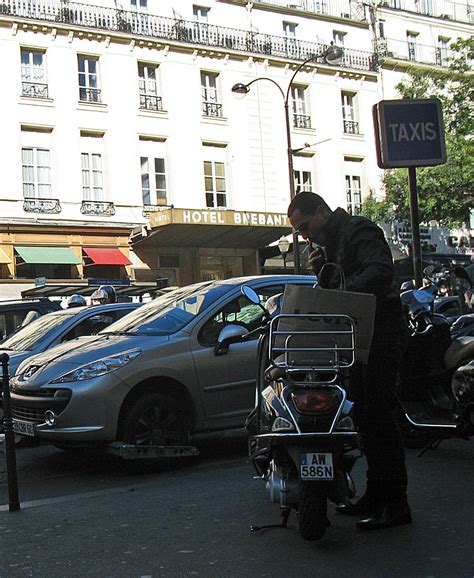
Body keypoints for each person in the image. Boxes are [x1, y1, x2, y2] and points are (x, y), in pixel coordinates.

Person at [287, 192, 411, 530]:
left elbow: (380, 272)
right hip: (356, 337)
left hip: (382, 332)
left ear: (323, 213)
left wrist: (342, 288)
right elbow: (330, 293)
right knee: (365, 418)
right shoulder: (327, 247)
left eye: (306, 226)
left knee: (380, 416)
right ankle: (375, 494)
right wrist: (321, 274)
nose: (305, 236)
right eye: (300, 232)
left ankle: (396, 504)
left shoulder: (359, 230)